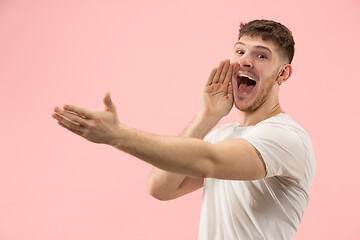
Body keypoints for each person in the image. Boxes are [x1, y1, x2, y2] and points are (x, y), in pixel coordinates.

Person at [52, 19, 316, 239]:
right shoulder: (222, 136)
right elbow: (160, 187)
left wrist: (117, 135)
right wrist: (207, 117)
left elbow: (209, 160)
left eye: (261, 55)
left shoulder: (286, 137)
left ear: (283, 73)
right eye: (240, 51)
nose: (245, 61)